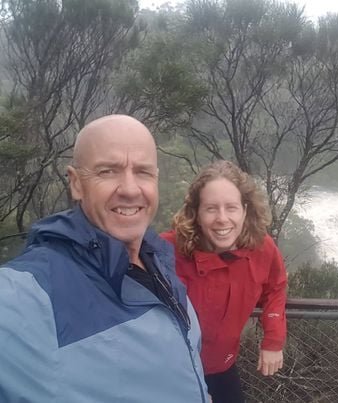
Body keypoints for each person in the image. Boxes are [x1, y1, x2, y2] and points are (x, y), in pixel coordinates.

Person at [0, 115, 209, 402]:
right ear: (76, 183)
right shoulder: (30, 293)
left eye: (143, 172)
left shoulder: (159, 261)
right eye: (108, 171)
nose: (130, 189)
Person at [161, 160, 287, 403]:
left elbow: (276, 287)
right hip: (172, 371)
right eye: (211, 209)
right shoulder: (167, 250)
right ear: (196, 213)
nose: (222, 219)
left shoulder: (261, 249)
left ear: (245, 209)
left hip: (222, 366)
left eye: (231, 207)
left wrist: (273, 339)